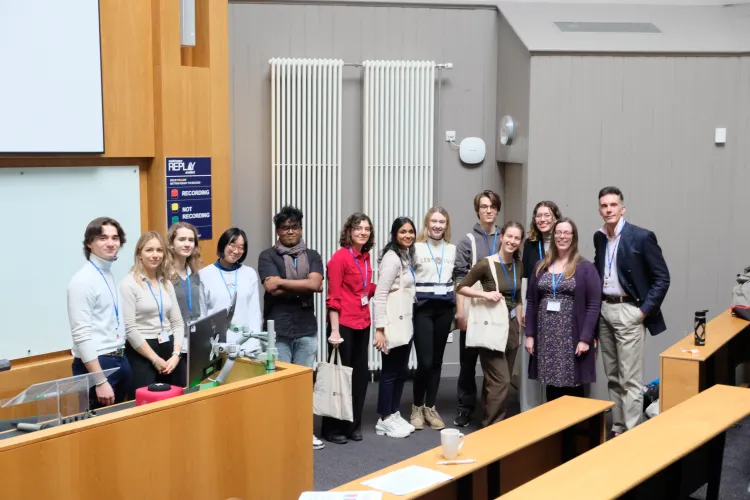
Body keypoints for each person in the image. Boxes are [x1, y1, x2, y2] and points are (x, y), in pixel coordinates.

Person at [594, 186, 670, 436]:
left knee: (630, 379)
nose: (608, 210)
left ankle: (633, 434)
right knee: (613, 376)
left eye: (613, 205)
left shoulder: (641, 237)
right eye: (604, 206)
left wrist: (643, 312)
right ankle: (618, 430)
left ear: (622, 208)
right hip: (605, 311)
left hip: (630, 311)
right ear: (599, 209)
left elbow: (662, 278)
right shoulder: (600, 237)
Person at [257, 206, 325, 450]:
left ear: (301, 229)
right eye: (285, 227)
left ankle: (304, 431)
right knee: (281, 384)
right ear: (277, 231)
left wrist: (284, 282)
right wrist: (303, 284)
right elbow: (271, 288)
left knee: (304, 384)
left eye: (294, 227)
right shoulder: (267, 256)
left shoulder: (313, 254)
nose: (290, 231)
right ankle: (282, 433)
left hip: (306, 328)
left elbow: (317, 285)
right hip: (279, 329)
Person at [525, 218, 602, 401]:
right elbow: (531, 301)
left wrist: (585, 339)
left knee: (572, 384)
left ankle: (575, 428)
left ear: (573, 237)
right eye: (558, 232)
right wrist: (530, 334)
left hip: (571, 336)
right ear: (553, 236)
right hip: (547, 336)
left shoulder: (585, 268)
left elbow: (593, 305)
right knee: (551, 382)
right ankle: (555, 427)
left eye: (567, 233)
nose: (562, 236)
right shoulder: (541, 266)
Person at [456, 221, 523, 427]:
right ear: (501, 237)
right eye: (509, 236)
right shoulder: (486, 264)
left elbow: (518, 297)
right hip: (491, 325)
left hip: (511, 325)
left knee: (494, 381)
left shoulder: (519, 265)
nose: (512, 241)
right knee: (502, 380)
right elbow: (461, 287)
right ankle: (494, 426)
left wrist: (519, 328)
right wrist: (484, 294)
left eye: (516, 238)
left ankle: (487, 417)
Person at [322, 213, 377, 444]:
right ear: (349, 232)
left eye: (366, 228)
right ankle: (332, 428)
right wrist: (334, 332)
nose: (363, 232)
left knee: (359, 378)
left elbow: (362, 290)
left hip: (362, 323)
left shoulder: (365, 257)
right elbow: (333, 297)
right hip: (342, 326)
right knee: (338, 379)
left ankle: (352, 424)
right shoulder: (340, 258)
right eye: (358, 228)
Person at [68, 217, 134, 408]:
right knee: (96, 431)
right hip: (98, 365)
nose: (111, 243)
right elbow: (81, 335)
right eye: (103, 238)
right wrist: (100, 380)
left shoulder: (107, 273)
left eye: (115, 238)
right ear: (90, 243)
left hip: (120, 358)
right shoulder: (83, 281)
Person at [453, 189, 502, 427]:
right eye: (484, 206)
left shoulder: (506, 238)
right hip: (473, 309)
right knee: (468, 363)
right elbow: (459, 280)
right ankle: (465, 408)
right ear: (478, 210)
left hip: (499, 309)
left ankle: (490, 409)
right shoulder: (467, 241)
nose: (488, 210)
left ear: (497, 209)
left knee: (494, 363)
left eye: (492, 206)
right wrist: (460, 312)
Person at [410, 207, 456, 431]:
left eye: (442, 222)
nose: (438, 225)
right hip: (423, 309)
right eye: (434, 221)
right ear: (427, 223)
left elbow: (457, 279)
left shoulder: (452, 249)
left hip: (444, 309)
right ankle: (417, 406)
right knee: (425, 361)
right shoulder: (416, 248)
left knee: (437, 361)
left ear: (447, 226)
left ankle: (430, 407)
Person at [121, 232, 185, 390]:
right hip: (142, 352)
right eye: (149, 250)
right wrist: (154, 359)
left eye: (159, 250)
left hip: (169, 349)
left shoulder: (166, 282)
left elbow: (177, 322)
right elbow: (129, 328)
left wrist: (176, 354)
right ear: (139, 254)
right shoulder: (128, 284)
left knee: (177, 399)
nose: (155, 255)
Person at [373, 217, 417, 439]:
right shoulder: (391, 259)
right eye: (403, 232)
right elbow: (379, 296)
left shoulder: (405, 256)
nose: (407, 235)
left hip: (404, 323)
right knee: (390, 373)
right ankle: (384, 418)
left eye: (410, 232)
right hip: (392, 324)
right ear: (394, 234)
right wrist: (380, 329)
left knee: (400, 372)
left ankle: (394, 412)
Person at [519, 201, 562, 411]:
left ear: (555, 217)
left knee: (553, 356)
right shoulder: (529, 244)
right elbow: (526, 277)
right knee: (531, 353)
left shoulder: (563, 240)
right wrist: (526, 309)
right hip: (534, 304)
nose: (542, 219)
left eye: (547, 215)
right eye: (538, 215)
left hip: (558, 307)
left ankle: (550, 407)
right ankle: (530, 408)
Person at [200, 228, 262, 346]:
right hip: (215, 343)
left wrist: (254, 341)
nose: (236, 251)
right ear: (223, 245)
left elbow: (254, 312)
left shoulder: (249, 274)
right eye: (232, 245)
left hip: (245, 342)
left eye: (241, 247)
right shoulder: (204, 274)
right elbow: (202, 314)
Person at [166, 222, 203, 388]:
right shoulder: (163, 274)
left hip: (194, 343)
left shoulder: (194, 272)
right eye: (181, 239)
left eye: (191, 240)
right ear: (171, 244)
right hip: (173, 345)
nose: (187, 244)